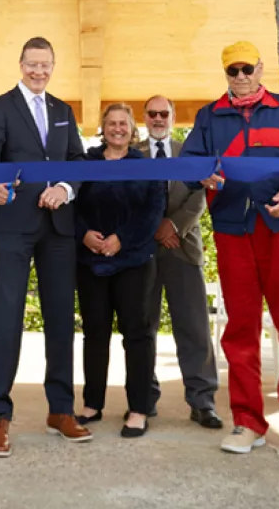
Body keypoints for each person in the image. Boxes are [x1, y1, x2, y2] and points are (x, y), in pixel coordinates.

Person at [180, 41, 279, 463]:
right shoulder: (209, 117)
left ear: (261, 69)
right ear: (225, 73)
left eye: (247, 69)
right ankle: (247, 421)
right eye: (233, 70)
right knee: (240, 331)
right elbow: (191, 165)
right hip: (233, 231)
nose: (241, 77)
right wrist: (201, 177)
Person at [0, 36, 89, 458]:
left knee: (61, 318)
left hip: (59, 227)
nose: (39, 72)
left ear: (52, 66)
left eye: (46, 65)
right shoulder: (0, 106)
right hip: (14, 226)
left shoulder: (64, 111)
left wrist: (64, 188)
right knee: (6, 319)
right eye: (32, 64)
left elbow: (78, 162)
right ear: (20, 64)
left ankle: (61, 410)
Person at [73, 103, 165, 438]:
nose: (117, 129)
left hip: (134, 260)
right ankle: (92, 404)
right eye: (111, 123)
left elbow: (154, 210)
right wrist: (84, 234)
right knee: (95, 332)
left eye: (123, 123)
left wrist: (121, 240)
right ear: (103, 127)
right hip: (90, 260)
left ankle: (138, 409)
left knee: (136, 334)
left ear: (132, 129)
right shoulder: (86, 162)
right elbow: (72, 203)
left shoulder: (147, 165)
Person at [136, 95, 221, 430]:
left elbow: (201, 194)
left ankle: (202, 401)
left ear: (172, 117)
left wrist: (174, 225)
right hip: (144, 250)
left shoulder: (191, 152)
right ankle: (144, 397)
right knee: (143, 327)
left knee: (194, 327)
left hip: (183, 248)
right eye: (152, 113)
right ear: (145, 117)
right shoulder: (133, 155)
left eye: (164, 113)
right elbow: (129, 196)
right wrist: (155, 226)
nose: (158, 118)